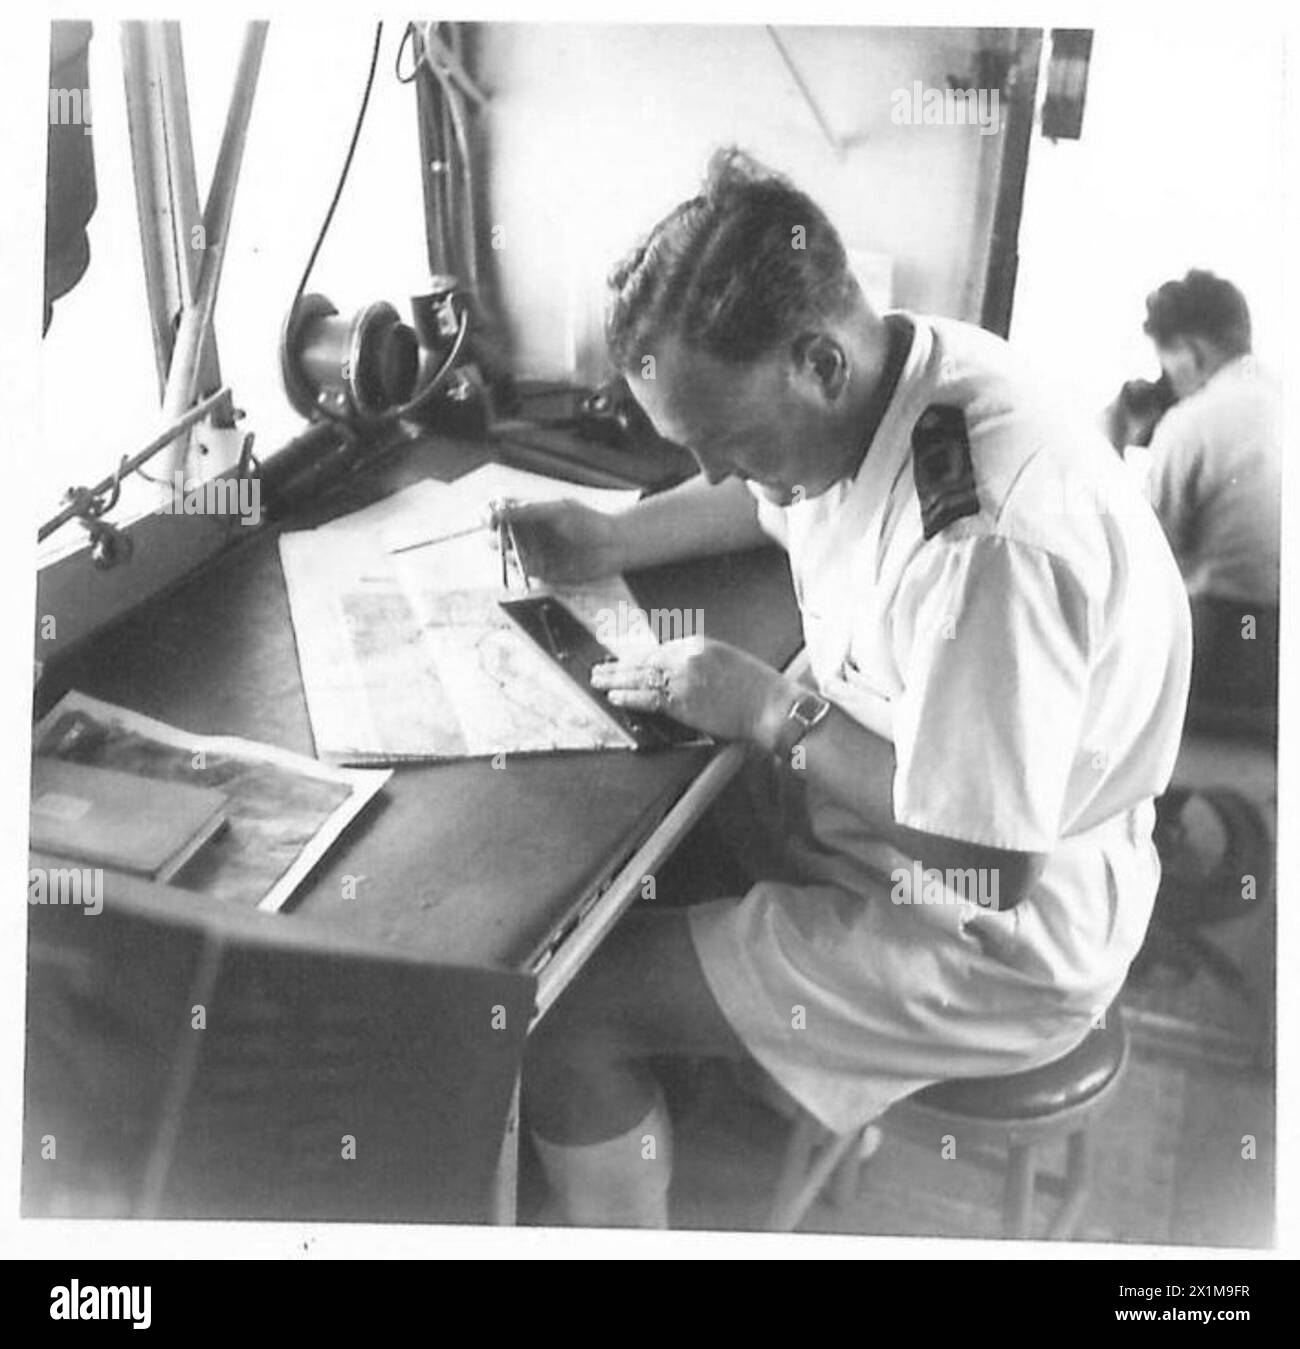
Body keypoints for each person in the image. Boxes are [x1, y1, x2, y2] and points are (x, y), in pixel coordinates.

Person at [497, 149, 1192, 1228]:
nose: (720, 474)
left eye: (724, 440)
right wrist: (610, 535)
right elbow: (778, 499)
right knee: (651, 861)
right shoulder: (898, 371)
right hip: (918, 829)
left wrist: (771, 710)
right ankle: (738, 1087)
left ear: (817, 361)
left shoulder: (984, 542)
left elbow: (992, 858)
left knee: (562, 1011)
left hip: (992, 932)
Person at [1140, 270, 1280, 736]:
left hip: (1230, 635)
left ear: (1191, 352)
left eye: (1168, 365)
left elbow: (1151, 553)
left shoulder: (1190, 422)